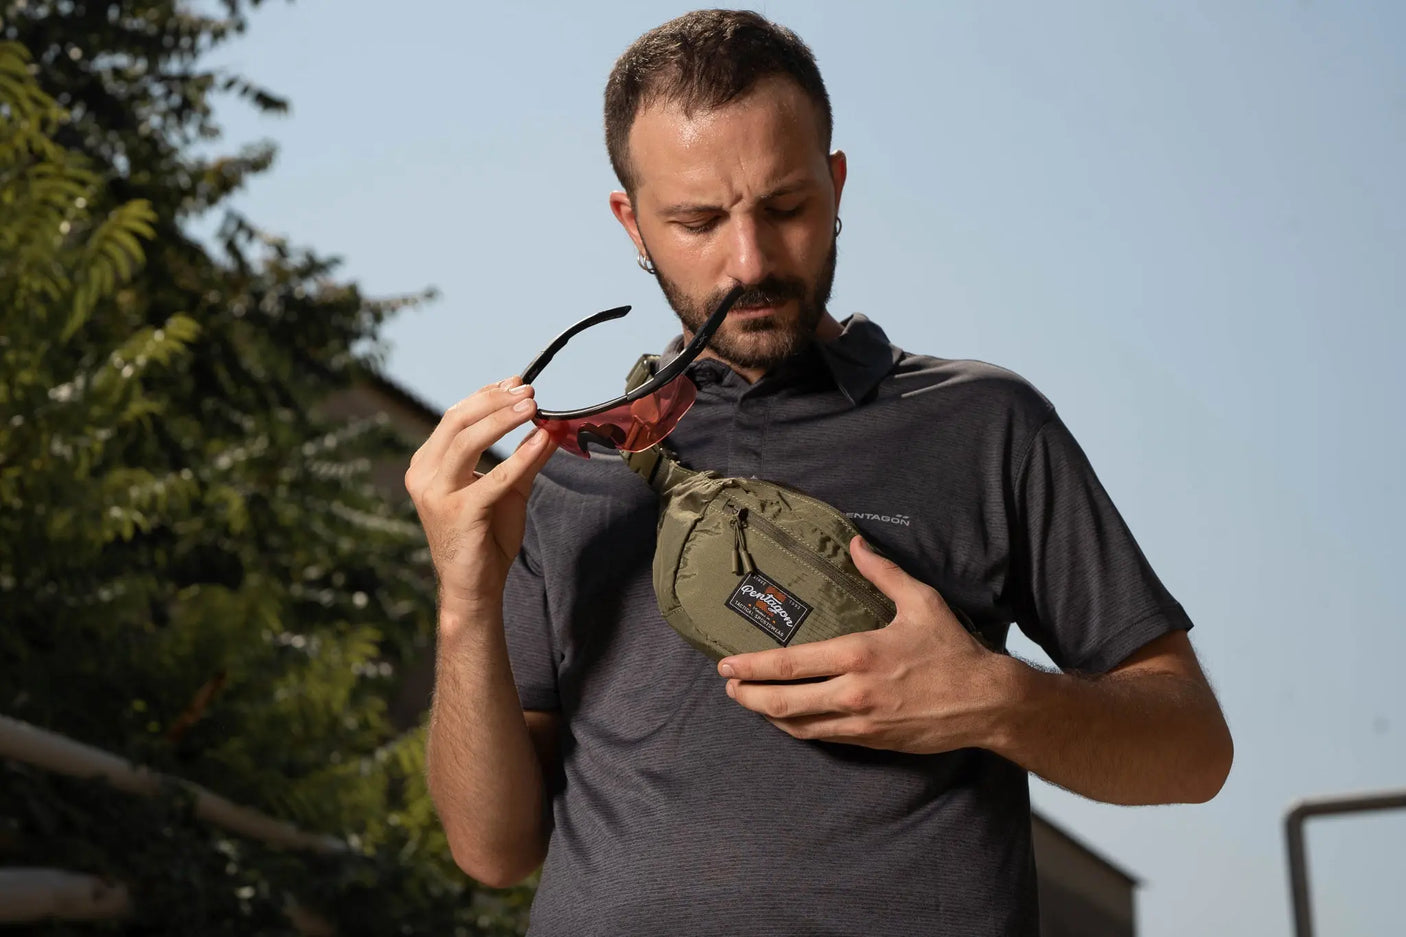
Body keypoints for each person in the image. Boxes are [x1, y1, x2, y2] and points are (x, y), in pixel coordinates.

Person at [404, 10, 1233, 935]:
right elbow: (493, 850)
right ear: (631, 223)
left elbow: (1192, 749)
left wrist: (995, 699)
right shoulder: (563, 477)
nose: (750, 261)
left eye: (787, 207)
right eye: (698, 221)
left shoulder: (985, 424)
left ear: (836, 186)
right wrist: (464, 599)